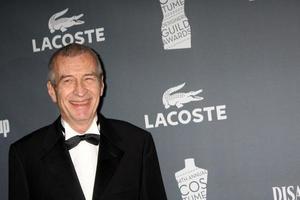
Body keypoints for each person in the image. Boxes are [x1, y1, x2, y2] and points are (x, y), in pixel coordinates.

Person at [9, 43, 168, 200]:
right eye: (68, 81)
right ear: (52, 91)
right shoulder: (25, 155)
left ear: (101, 85)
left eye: (88, 78)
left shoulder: (137, 143)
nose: (80, 91)